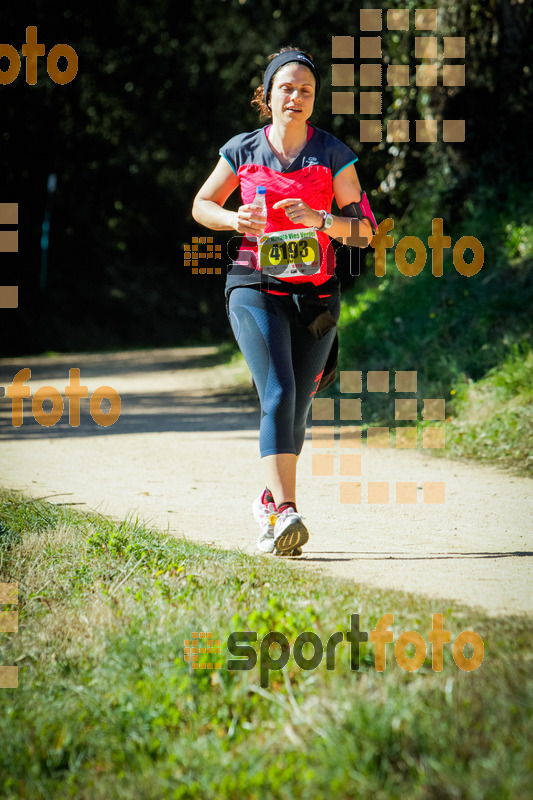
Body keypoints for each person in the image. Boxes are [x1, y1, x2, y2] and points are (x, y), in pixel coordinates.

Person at [192, 47, 377, 556]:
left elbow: (365, 231)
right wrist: (235, 221)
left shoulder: (333, 154)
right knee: (277, 389)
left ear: (314, 101)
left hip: (316, 295)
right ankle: (285, 513)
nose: (295, 97)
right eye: (286, 89)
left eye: (306, 91)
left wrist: (321, 221)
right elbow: (201, 204)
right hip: (255, 285)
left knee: (298, 403)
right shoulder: (242, 150)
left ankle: (268, 501)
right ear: (268, 95)